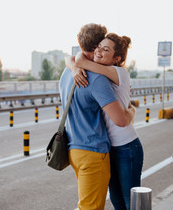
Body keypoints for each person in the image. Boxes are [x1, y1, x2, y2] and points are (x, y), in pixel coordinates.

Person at [59, 23, 136, 210]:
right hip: (92, 151)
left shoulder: (67, 73)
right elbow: (120, 119)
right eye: (101, 46)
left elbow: (72, 59)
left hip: (74, 149)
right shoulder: (96, 79)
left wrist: (75, 64)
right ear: (96, 47)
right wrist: (132, 110)